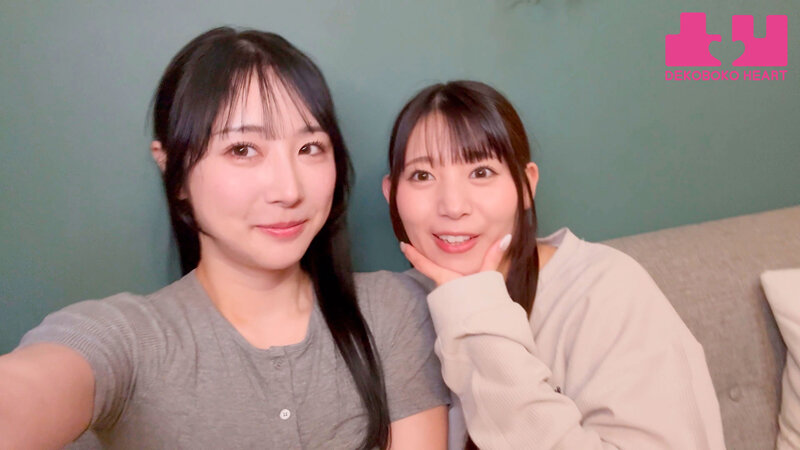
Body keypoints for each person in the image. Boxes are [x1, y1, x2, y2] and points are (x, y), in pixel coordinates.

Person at [0, 27, 448, 449]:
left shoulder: (391, 311)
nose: (288, 190)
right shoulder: (128, 339)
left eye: (310, 148)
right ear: (174, 170)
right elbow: (31, 389)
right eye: (242, 149)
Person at [381, 80, 726, 449]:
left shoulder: (605, 289)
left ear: (526, 186)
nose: (453, 206)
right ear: (391, 193)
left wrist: (473, 308)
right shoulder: (390, 311)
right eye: (422, 175)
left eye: (481, 172)